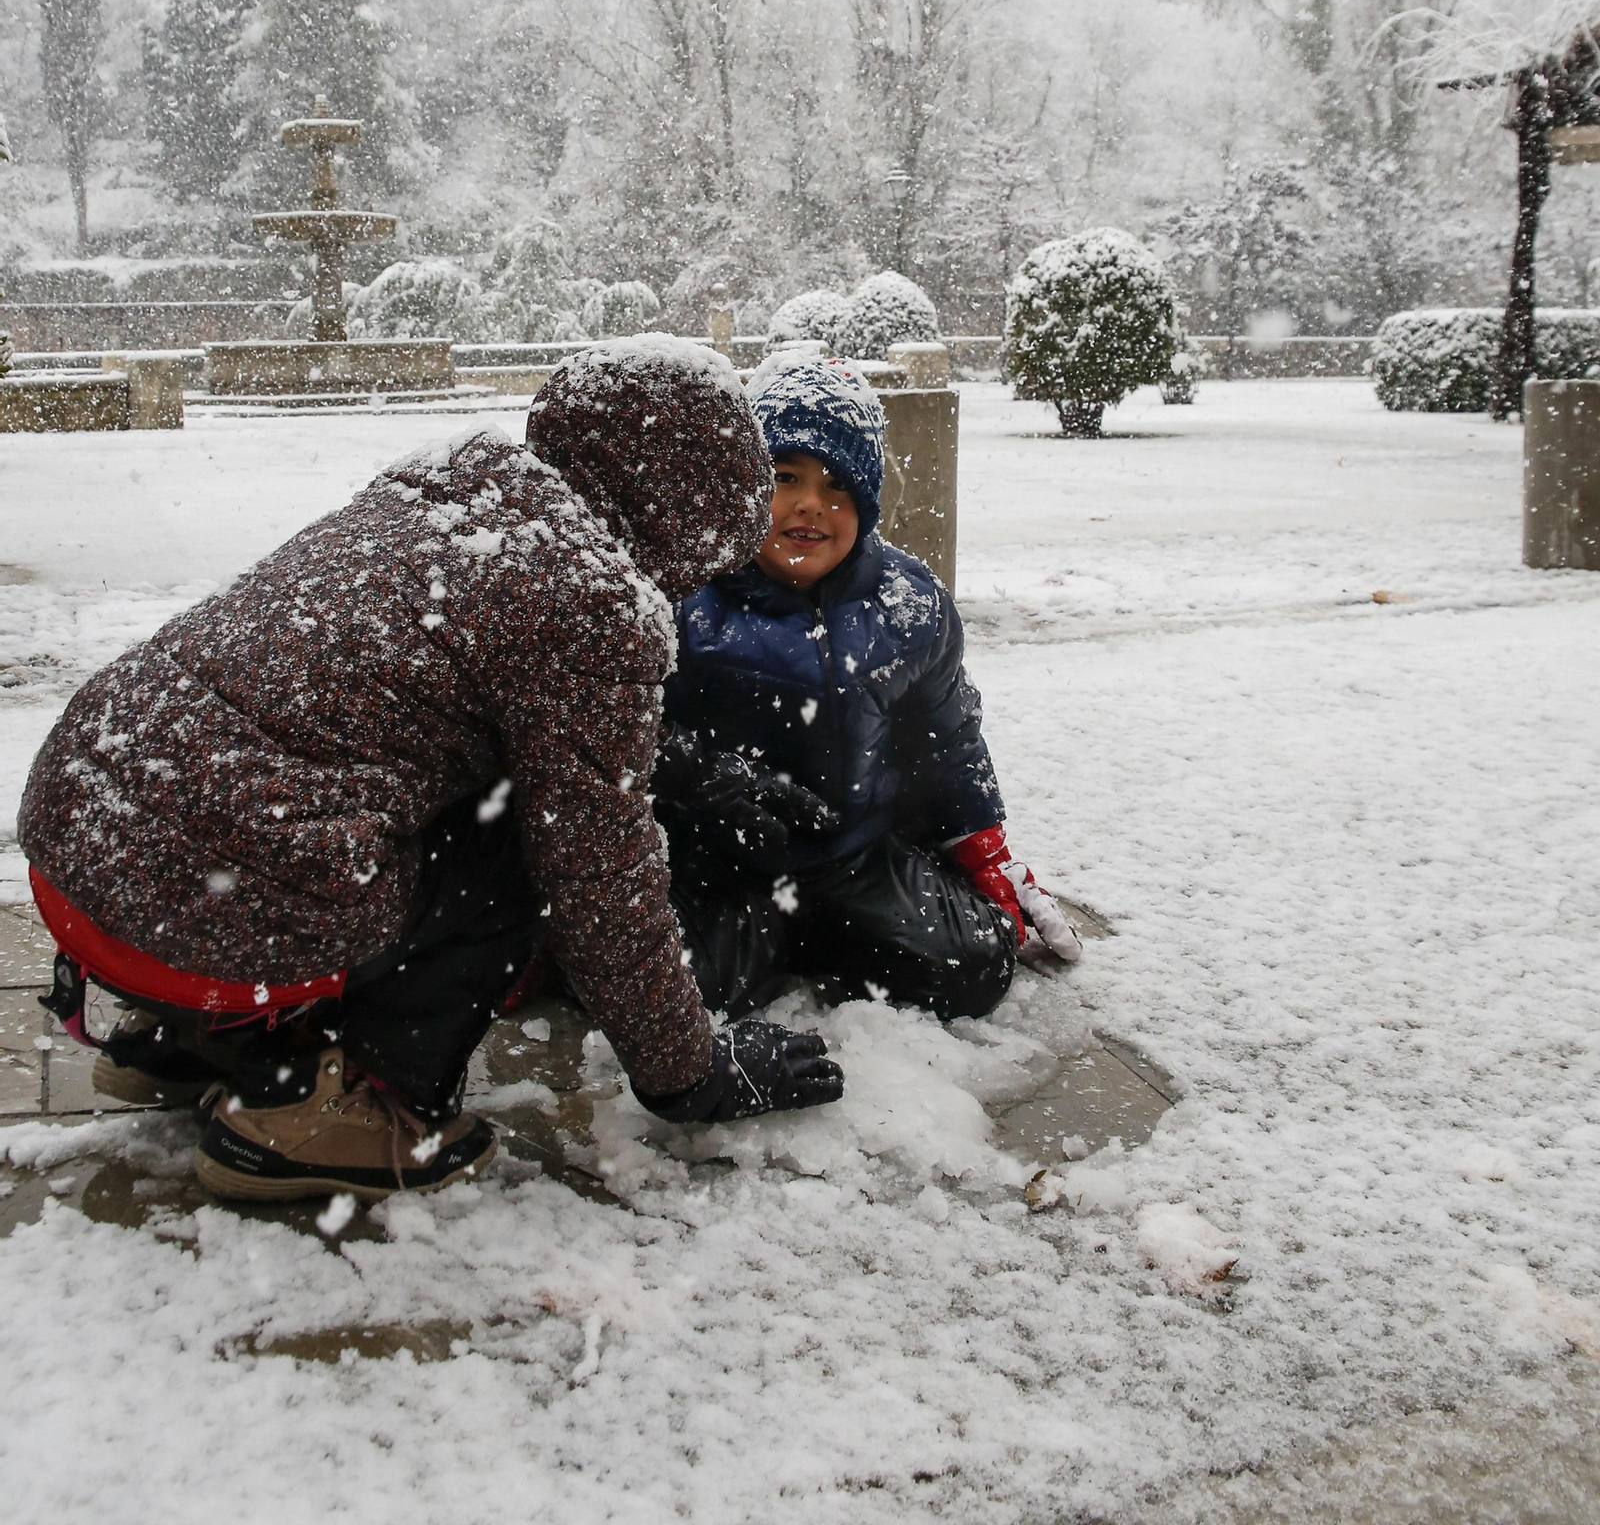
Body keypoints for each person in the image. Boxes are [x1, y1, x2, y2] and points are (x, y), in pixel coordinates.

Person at [18, 339, 843, 1204]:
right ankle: (342, 1109)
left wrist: (695, 776)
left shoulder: (448, 492)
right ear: (689, 519)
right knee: (519, 840)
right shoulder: (593, 596)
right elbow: (598, 880)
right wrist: (690, 1074)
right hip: (207, 919)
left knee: (331, 804)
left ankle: (192, 1041)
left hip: (87, 857)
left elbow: (470, 705)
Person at [652, 351, 1082, 1025]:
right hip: (716, 864)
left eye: (838, 486)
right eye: (785, 477)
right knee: (668, 991)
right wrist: (698, 777)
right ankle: (770, 939)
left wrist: (982, 849)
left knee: (974, 967)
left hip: (850, 857)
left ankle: (821, 935)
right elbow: (619, 729)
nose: (809, 504)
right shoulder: (682, 591)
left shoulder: (907, 605)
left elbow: (945, 740)